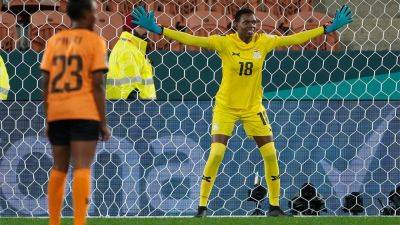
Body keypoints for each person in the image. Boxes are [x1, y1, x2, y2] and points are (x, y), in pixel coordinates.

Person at [132, 5, 352, 217]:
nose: (252, 26)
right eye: (247, 22)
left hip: (252, 108)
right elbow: (193, 39)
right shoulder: (225, 43)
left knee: (270, 154)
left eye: (255, 22)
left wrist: (327, 29)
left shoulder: (263, 42)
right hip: (225, 108)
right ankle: (201, 207)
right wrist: (160, 30)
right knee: (216, 153)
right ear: (236, 24)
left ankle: (274, 206)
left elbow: (294, 38)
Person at [40, 0, 110, 224]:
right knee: (82, 167)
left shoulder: (54, 41)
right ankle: (79, 222)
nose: (97, 17)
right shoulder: (96, 42)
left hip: (58, 112)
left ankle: (54, 222)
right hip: (84, 111)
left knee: (59, 167)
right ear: (87, 14)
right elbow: (98, 83)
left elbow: (46, 81)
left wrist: (49, 116)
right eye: (95, 12)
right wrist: (103, 121)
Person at [107, 15, 156, 100]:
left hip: (140, 106)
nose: (146, 30)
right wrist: (133, 108)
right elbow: (130, 86)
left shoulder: (132, 48)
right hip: (132, 108)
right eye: (141, 26)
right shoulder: (127, 50)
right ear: (130, 29)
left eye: (147, 26)